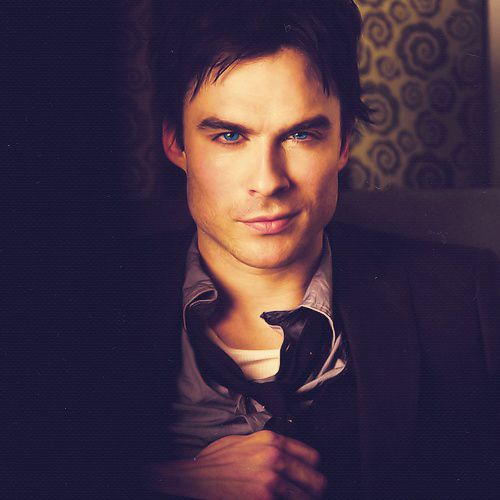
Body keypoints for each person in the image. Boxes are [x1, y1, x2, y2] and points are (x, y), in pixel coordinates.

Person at [116, 1, 500, 498]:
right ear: (176, 142)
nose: (268, 181)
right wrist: (162, 483)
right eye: (230, 136)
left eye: (301, 134)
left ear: (343, 143)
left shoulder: (469, 295)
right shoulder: (92, 296)